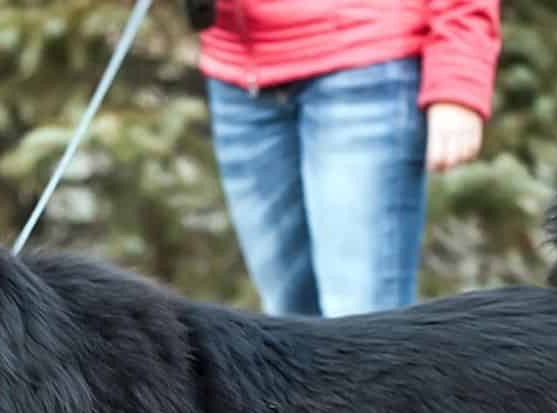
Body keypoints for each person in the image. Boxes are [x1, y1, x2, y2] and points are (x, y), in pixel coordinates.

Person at [188, 0, 501, 317]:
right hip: (237, 77)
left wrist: (458, 72)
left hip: (365, 61)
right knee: (285, 326)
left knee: (363, 322)